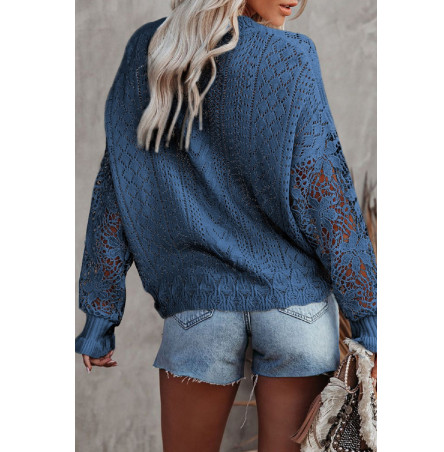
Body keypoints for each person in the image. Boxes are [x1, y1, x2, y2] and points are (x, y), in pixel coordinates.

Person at [75, 1, 377, 450]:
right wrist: (368, 317)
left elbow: (118, 188)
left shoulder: (152, 49)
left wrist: (100, 316)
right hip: (296, 308)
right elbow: (325, 193)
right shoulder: (292, 56)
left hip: (200, 305)